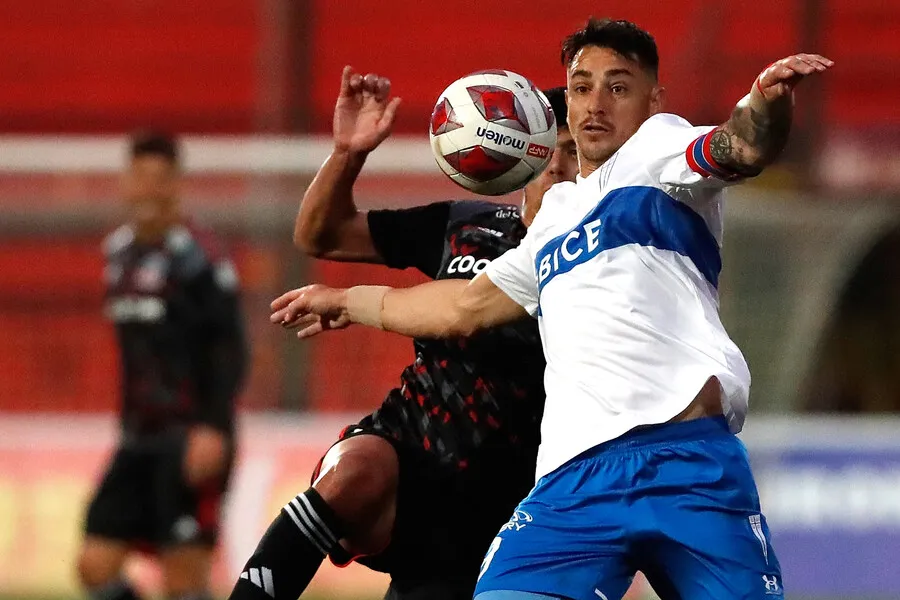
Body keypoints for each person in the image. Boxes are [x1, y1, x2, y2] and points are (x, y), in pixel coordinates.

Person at [271, 18, 834, 600]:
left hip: (686, 464)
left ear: (654, 99)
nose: (593, 103)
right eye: (582, 85)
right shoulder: (554, 219)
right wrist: (349, 300)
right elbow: (465, 304)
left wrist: (764, 103)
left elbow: (737, 146)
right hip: (573, 482)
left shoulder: (657, 153)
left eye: (618, 86)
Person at [227, 67, 577, 600]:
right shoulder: (464, 226)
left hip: (509, 506)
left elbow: (461, 311)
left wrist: (354, 303)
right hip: (408, 454)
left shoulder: (598, 261)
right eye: (548, 148)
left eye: (574, 152)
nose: (557, 165)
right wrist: (348, 154)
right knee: (353, 474)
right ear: (519, 157)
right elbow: (321, 233)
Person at [77, 132, 248, 600]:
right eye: (140, 178)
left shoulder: (201, 258)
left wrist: (212, 427)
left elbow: (229, 348)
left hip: (191, 435)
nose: (149, 189)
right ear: (126, 183)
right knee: (95, 563)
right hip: (138, 437)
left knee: (184, 579)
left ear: (176, 184)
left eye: (160, 179)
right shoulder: (118, 254)